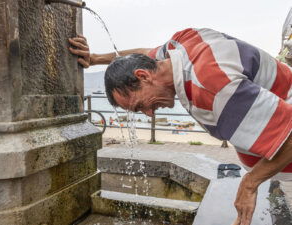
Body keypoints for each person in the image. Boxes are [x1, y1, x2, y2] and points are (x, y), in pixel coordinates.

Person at [69, 28, 292, 225]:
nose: (149, 113)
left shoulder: (211, 90)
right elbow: (143, 54)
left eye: (140, 106)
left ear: (143, 76)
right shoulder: (180, 45)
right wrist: (96, 58)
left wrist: (250, 183)